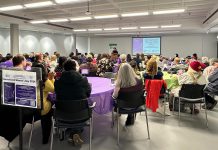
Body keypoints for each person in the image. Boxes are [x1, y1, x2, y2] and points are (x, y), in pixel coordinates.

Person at [55, 59, 91, 145]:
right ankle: (75, 132)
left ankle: (73, 132)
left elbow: (57, 94)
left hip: (62, 114)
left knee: (71, 110)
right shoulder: (84, 79)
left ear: (64, 68)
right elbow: (88, 94)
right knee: (77, 111)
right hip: (81, 114)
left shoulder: (58, 81)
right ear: (75, 68)